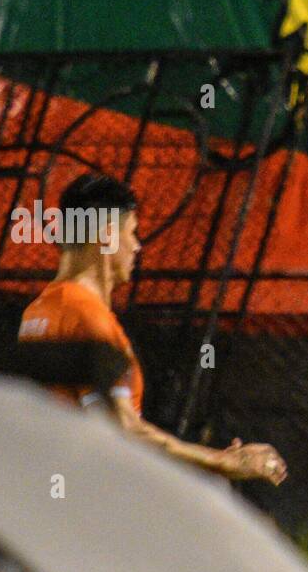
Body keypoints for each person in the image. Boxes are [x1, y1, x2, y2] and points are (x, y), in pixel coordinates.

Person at [19, 173, 286, 485]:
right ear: (107, 236)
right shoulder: (88, 318)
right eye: (132, 233)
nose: (137, 246)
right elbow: (121, 427)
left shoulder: (38, 311)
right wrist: (221, 461)